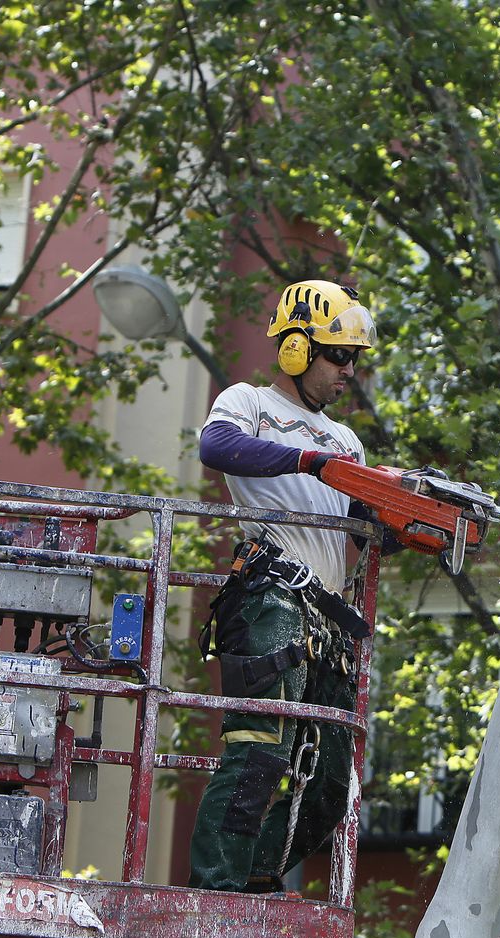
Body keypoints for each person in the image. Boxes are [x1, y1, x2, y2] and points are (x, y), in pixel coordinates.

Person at [187, 279, 376, 893]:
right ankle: (217, 885)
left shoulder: (348, 442)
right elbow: (215, 447)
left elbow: (366, 526)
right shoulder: (250, 403)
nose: (349, 371)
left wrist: (416, 516)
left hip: (327, 616)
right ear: (296, 350)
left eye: (354, 359)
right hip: (273, 596)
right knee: (261, 748)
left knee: (333, 782)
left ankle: (258, 874)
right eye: (338, 356)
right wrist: (305, 461)